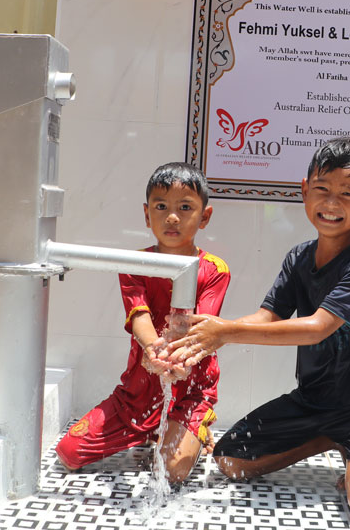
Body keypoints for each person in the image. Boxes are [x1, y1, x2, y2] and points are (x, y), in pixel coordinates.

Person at [166, 129, 350, 520]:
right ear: (304, 190)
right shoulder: (299, 257)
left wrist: (225, 331)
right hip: (314, 399)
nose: (331, 203)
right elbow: (268, 317)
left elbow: (318, 327)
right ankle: (336, 439)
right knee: (230, 460)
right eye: (322, 189)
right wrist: (207, 330)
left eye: (348, 193)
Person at [55, 162, 230, 482]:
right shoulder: (135, 265)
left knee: (172, 473)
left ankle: (195, 423)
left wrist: (178, 359)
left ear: (204, 217)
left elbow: (200, 329)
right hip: (138, 391)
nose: (172, 216)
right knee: (70, 452)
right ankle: (150, 432)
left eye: (185, 207)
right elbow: (140, 315)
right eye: (161, 206)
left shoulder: (214, 269)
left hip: (190, 384)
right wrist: (154, 349)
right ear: (147, 214)